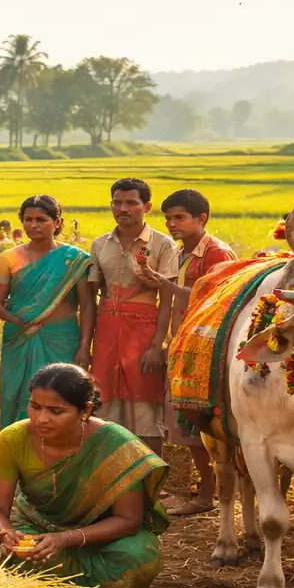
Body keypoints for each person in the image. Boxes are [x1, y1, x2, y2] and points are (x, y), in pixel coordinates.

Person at [0, 363, 168, 588]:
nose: (41, 419)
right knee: (14, 559)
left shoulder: (114, 444)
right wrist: (7, 536)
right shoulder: (12, 439)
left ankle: (54, 586)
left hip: (100, 536)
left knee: (138, 557)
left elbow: (128, 520)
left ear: (86, 411)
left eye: (55, 411)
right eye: (35, 407)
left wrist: (67, 539)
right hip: (37, 529)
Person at [139, 188, 237, 515]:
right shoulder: (182, 252)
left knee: (201, 422)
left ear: (201, 218)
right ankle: (208, 489)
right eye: (167, 218)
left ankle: (208, 495)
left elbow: (214, 301)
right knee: (190, 422)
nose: (171, 224)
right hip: (186, 344)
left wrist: (159, 281)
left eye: (179, 217)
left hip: (207, 348)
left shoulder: (217, 254)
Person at [87, 178, 179, 455]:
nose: (122, 208)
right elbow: (91, 298)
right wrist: (85, 344)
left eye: (131, 202)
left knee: (146, 405)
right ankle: (106, 475)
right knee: (103, 402)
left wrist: (157, 345)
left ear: (146, 206)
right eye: (117, 202)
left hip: (143, 330)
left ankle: (149, 480)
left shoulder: (163, 245)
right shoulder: (100, 244)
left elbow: (167, 300)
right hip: (106, 329)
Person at [0, 195, 95, 427]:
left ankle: (60, 456)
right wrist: (16, 320)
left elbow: (87, 305)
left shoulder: (75, 260)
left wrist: (85, 345)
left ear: (57, 223)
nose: (33, 225)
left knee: (62, 395)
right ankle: (18, 452)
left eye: (41, 219)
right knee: (14, 396)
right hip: (19, 338)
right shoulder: (8, 257)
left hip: (62, 338)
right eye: (27, 219)